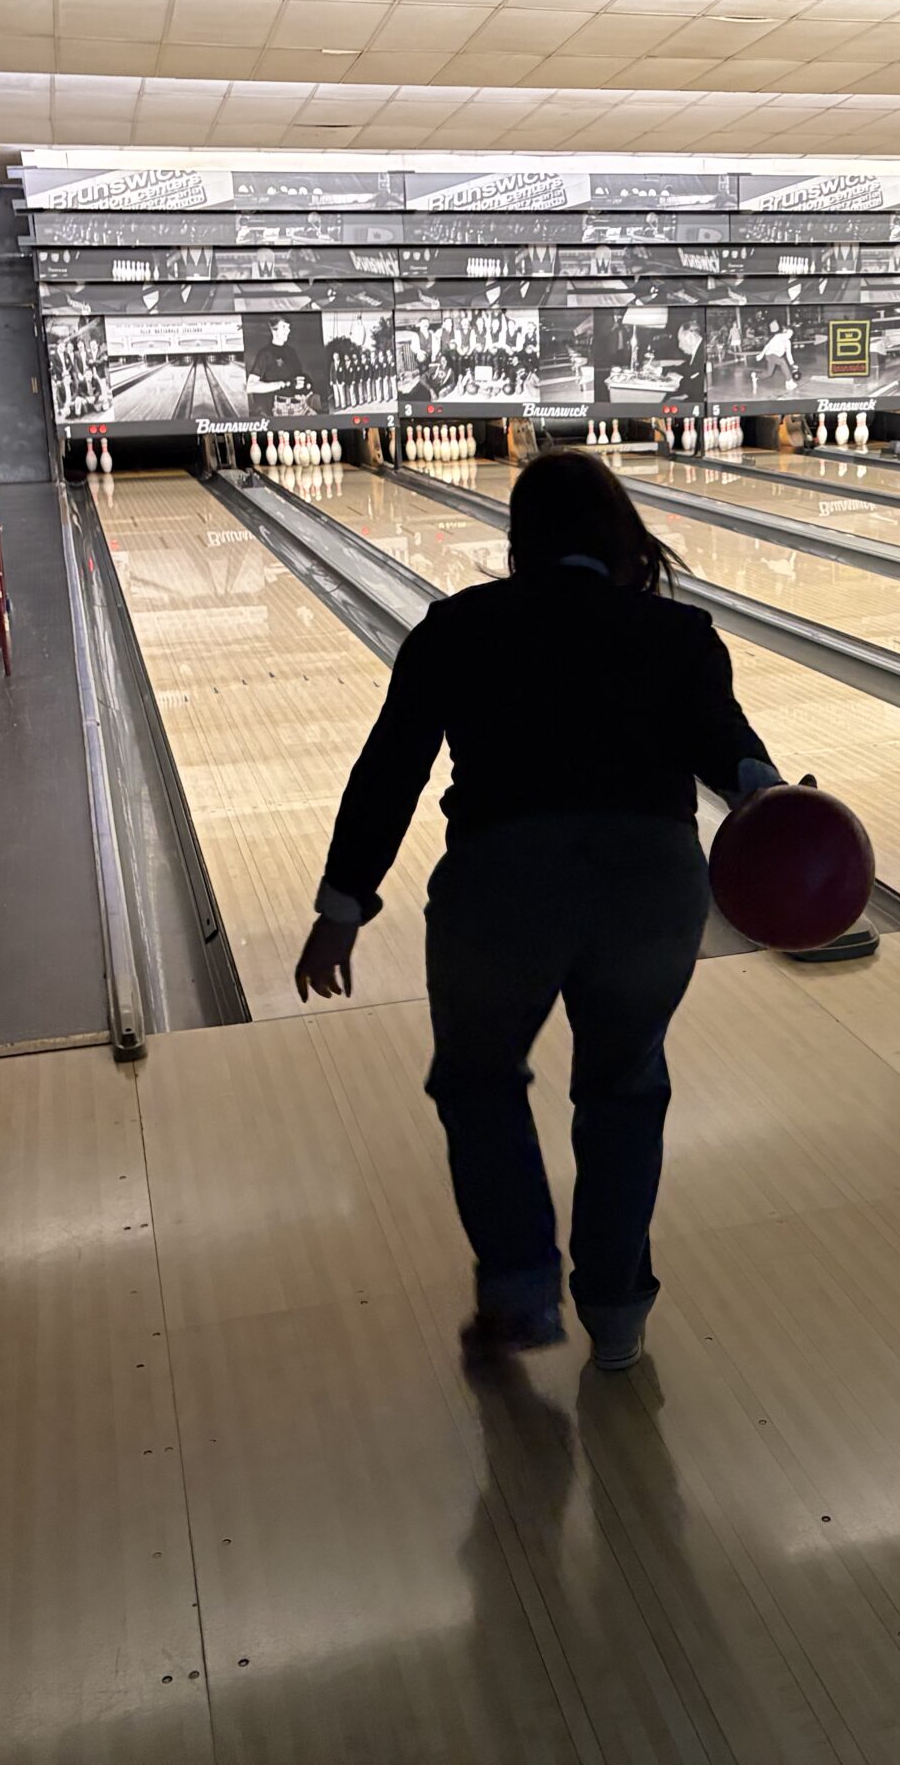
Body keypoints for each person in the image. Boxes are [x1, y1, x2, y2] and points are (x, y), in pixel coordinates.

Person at [295, 451, 781, 1368]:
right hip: (651, 887)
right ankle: (618, 1315)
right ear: (621, 536)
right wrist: (775, 799)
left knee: (479, 1084)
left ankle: (521, 1295)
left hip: (502, 887)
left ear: (517, 542)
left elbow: (389, 770)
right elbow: (730, 750)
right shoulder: (679, 633)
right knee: (624, 1088)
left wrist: (342, 906)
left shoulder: (456, 628)